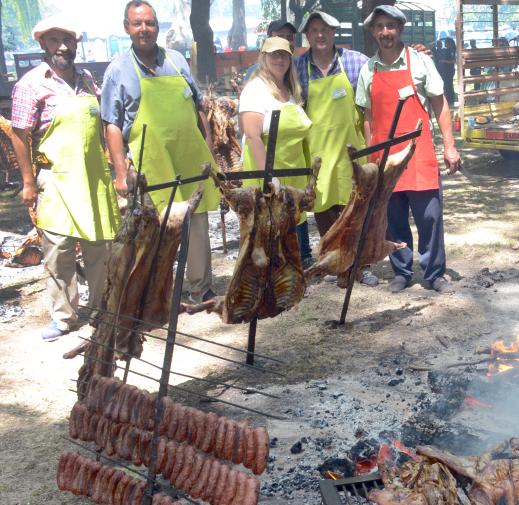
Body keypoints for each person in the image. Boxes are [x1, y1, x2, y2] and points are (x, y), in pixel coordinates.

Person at [102, 0, 220, 304]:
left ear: (157, 26)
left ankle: (200, 288)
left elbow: (198, 107)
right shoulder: (118, 70)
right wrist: (119, 173)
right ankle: (155, 294)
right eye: (138, 23)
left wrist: (207, 146)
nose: (145, 29)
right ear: (127, 28)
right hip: (149, 164)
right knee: (154, 232)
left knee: (196, 223)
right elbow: (112, 126)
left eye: (150, 23)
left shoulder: (177, 61)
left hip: (190, 160)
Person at [9, 15, 119, 340]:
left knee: (100, 245)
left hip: (93, 178)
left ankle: (103, 310)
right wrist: (28, 183)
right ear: (43, 44)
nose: (62, 46)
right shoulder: (30, 84)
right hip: (54, 178)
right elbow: (19, 135)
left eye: (67, 40)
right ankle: (65, 316)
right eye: (54, 40)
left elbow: (100, 125)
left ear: (76, 44)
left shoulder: (88, 81)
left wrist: (114, 163)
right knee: (58, 249)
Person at [356, 5, 461, 294]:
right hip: (385, 157)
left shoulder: (420, 62)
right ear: (374, 32)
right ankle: (401, 271)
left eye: (390, 26)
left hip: (419, 154)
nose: (385, 32)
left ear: (400, 28)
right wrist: (370, 157)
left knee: (430, 216)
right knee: (393, 219)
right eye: (379, 27)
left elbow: (439, 104)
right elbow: (366, 115)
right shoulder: (369, 69)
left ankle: (434, 273)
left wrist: (449, 147)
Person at [293, 11, 378, 284]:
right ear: (307, 35)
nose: (320, 35)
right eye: (314, 30)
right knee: (324, 211)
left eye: (325, 30)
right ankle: (335, 264)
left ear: (333, 33)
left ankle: (361, 267)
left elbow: (379, 80)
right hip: (317, 154)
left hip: (350, 152)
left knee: (354, 211)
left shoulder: (355, 62)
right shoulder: (297, 68)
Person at [238, 37, 312, 257]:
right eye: (274, 54)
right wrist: (269, 178)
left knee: (290, 240)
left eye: (284, 55)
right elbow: (252, 136)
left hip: (294, 175)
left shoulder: (291, 90)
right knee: (267, 240)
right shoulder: (255, 90)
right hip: (269, 179)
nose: (279, 59)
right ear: (264, 57)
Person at [432, 37, 456, 106]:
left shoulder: (451, 50)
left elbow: (453, 61)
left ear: (448, 43)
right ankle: (449, 99)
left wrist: (444, 61)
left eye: (445, 42)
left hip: (449, 71)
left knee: (449, 85)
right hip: (446, 71)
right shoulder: (446, 50)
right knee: (446, 85)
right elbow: (436, 51)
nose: (444, 44)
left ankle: (451, 99)